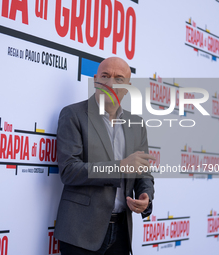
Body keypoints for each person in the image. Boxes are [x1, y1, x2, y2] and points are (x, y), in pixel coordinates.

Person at [54, 57, 155, 255]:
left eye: (118, 79)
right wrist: (119, 167)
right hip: (80, 232)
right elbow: (69, 170)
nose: (110, 83)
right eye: (105, 76)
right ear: (95, 80)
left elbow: (143, 173)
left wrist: (146, 197)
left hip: (121, 233)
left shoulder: (137, 124)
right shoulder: (73, 114)